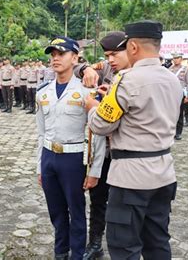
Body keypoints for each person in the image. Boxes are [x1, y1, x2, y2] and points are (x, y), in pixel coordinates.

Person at [85, 20, 182, 260]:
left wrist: (92, 107)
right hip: (163, 172)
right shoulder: (172, 79)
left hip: (131, 178)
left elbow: (100, 125)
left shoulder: (126, 80)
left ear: (134, 47)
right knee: (157, 242)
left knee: (124, 246)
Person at [37, 36, 105, 260]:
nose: (55, 59)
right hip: (49, 157)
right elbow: (41, 132)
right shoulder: (43, 92)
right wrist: (40, 166)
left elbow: (97, 134)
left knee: (76, 212)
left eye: (61, 54)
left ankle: (77, 254)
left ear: (75, 58)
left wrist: (94, 171)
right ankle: (60, 251)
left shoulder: (87, 92)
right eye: (53, 55)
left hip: (74, 159)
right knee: (56, 211)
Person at [78, 31, 130, 260]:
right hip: (104, 150)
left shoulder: (142, 75)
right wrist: (85, 69)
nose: (109, 59)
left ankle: (125, 245)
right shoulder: (108, 68)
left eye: (114, 54)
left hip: (128, 153)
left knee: (125, 204)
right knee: (98, 199)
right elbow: (78, 66)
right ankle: (95, 242)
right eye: (107, 55)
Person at [169, 51, 188, 140]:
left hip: (181, 95)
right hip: (170, 95)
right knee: (170, 114)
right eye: (174, 58)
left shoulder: (185, 69)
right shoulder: (169, 69)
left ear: (181, 59)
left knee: (179, 114)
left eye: (177, 58)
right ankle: (171, 132)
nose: (175, 60)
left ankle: (178, 132)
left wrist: (187, 96)